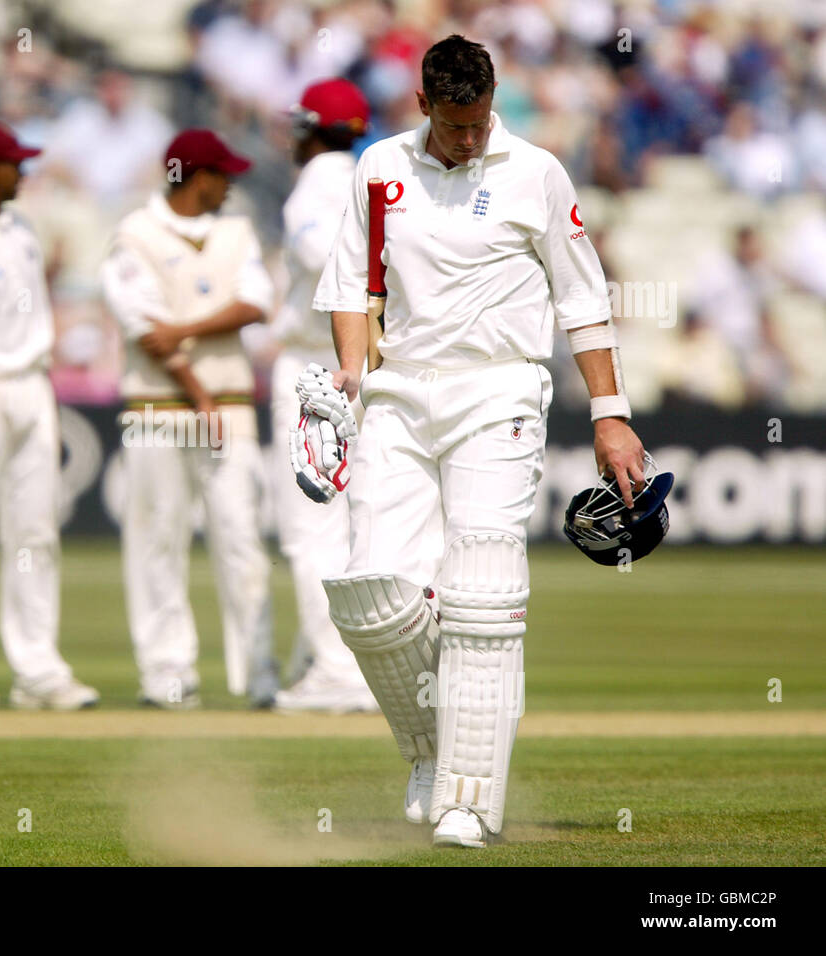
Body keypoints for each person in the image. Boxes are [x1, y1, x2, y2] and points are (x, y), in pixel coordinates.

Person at [307, 35, 646, 847]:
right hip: (400, 392)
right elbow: (350, 284)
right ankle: (433, 747)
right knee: (371, 591)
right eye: (455, 124)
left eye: (481, 121)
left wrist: (610, 412)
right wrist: (350, 378)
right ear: (424, 104)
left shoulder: (534, 171)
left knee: (481, 596)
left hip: (500, 390)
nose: (469, 137)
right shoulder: (380, 167)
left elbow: (582, 298)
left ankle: (468, 797)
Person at [101, 128, 277, 709]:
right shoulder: (134, 234)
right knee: (158, 541)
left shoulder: (236, 230)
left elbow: (256, 303)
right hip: (161, 409)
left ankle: (259, 677)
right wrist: (197, 386)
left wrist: (183, 329)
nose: (230, 183)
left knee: (241, 539)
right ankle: (167, 675)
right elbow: (143, 328)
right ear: (198, 177)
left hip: (227, 408)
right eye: (222, 174)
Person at [0, 122, 99, 711]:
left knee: (34, 533)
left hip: (33, 385)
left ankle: (38, 671)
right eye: (14, 164)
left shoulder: (20, 229)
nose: (23, 172)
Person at [270, 78, 378, 715]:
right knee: (362, 520)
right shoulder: (375, 174)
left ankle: (339, 671)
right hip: (362, 361)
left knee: (311, 526)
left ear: (312, 127)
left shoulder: (319, 181)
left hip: (318, 366)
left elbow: (322, 255)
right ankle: (344, 661)